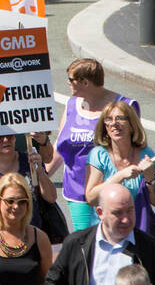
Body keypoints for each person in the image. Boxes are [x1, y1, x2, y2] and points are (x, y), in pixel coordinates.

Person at [50, 58, 137, 230]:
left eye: (71, 79)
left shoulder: (124, 106)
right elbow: (60, 147)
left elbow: (134, 148)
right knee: (84, 243)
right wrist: (39, 178)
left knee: (113, 239)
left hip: (112, 189)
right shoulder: (71, 104)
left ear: (85, 82)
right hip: (77, 190)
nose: (67, 83)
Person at [82, 99, 155, 212]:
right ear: (105, 127)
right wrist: (120, 176)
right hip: (107, 226)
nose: (113, 123)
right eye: (108, 119)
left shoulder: (147, 154)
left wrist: (150, 179)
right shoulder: (98, 155)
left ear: (132, 125)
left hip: (138, 226)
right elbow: (91, 199)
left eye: (120, 118)